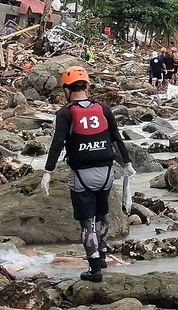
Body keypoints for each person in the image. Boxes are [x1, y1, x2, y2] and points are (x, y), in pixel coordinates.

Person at [42, 67, 135, 282]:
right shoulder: (103, 108)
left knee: (87, 221)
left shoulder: (65, 113)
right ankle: (102, 255)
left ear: (66, 89)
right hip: (107, 172)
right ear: (87, 86)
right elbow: (116, 138)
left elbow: (57, 143)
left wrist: (48, 171)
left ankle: (94, 268)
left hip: (81, 175)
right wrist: (127, 162)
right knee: (102, 213)